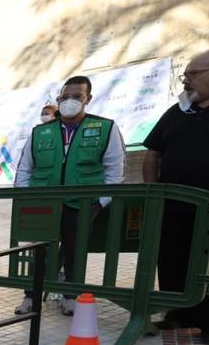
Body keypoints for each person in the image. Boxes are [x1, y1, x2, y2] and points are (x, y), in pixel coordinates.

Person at [13, 75, 125, 316]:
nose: (69, 101)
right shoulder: (41, 132)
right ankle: (31, 297)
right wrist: (27, 199)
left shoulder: (105, 128)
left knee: (75, 250)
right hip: (43, 204)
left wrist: (100, 202)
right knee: (39, 250)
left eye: (77, 97)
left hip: (83, 204)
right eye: (64, 97)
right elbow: (25, 168)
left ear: (88, 99)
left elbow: (114, 170)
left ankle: (70, 295)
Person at [143, 50, 209, 344]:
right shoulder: (176, 112)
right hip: (172, 203)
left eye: (193, 75)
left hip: (207, 206)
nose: (186, 81)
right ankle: (181, 313)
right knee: (171, 257)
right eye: (185, 76)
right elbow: (153, 152)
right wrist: (153, 191)